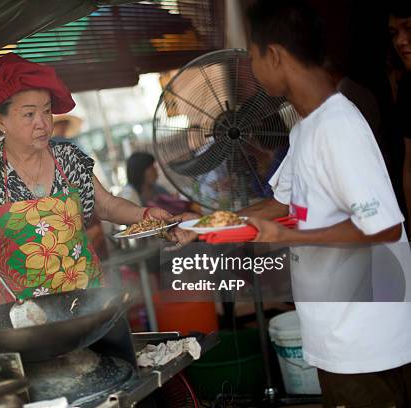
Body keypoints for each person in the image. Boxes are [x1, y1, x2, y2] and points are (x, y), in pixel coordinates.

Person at [173, 1, 411, 405]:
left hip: (365, 342)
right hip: (338, 334)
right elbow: (283, 205)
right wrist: (202, 224)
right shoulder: (307, 126)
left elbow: (383, 226)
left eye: (253, 57)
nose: (251, 68)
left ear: (276, 56)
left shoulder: (338, 127)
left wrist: (285, 236)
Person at [0, 54, 177, 305]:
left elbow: (106, 205)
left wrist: (145, 213)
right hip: (24, 318)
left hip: (88, 303)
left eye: (47, 111)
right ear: (0, 121)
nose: (42, 123)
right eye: (29, 114)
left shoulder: (68, 157)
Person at [389, 1, 411, 227]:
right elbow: (409, 165)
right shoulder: (407, 88)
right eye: (394, 33)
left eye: (409, 29)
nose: (400, 41)